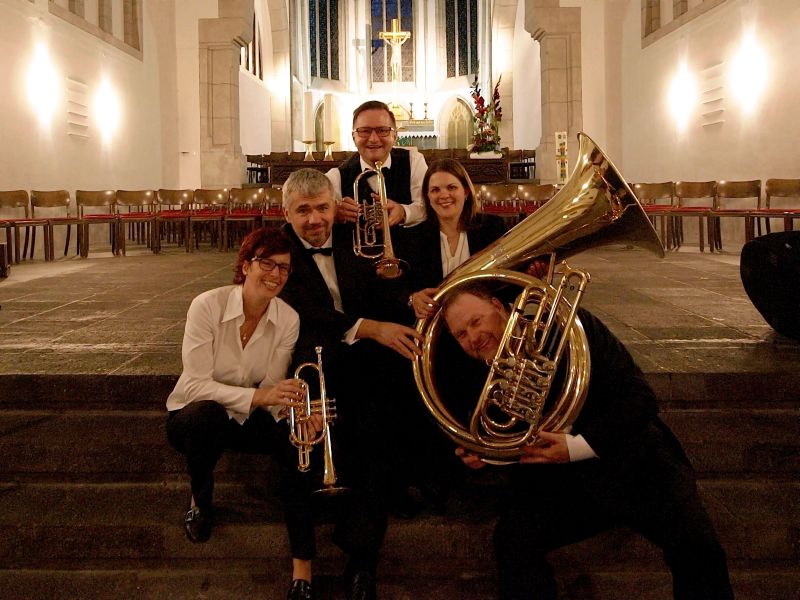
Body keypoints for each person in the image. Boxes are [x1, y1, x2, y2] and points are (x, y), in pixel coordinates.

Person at [440, 282, 734, 600]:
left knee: (698, 546)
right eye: (460, 334)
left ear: (499, 306)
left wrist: (577, 446)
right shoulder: (472, 371)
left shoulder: (571, 329)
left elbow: (640, 400)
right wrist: (485, 455)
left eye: (476, 321)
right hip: (563, 486)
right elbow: (498, 442)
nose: (473, 337)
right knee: (513, 539)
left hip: (637, 465)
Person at [278, 167, 424, 600]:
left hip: (362, 360)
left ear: (333, 206)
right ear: (285, 213)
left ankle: (363, 561)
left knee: (383, 422)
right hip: (313, 358)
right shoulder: (277, 250)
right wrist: (370, 328)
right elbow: (303, 312)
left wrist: (408, 300)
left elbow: (381, 288)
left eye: (322, 207)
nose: (314, 219)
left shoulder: (354, 239)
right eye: (302, 211)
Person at [166, 228, 327, 600]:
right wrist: (262, 396)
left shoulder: (287, 319)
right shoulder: (206, 305)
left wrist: (295, 413)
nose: (275, 274)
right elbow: (194, 386)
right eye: (266, 263)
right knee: (207, 415)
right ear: (245, 265)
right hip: (192, 417)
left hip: (248, 416)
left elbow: (272, 385)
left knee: (297, 440)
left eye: (284, 268)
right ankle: (200, 501)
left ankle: (302, 565)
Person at [396, 158, 507, 321]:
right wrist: (413, 298)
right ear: (428, 196)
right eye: (435, 190)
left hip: (485, 322)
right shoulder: (413, 237)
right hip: (437, 326)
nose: (443, 195)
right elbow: (402, 289)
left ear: (466, 192)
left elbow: (505, 283)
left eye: (451, 187)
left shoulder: (492, 227)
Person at [326, 100, 428, 227]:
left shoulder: (413, 161)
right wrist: (335, 214)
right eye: (364, 131)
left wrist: (403, 212)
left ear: (395, 135)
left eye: (382, 130)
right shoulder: (336, 177)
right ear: (354, 137)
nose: (373, 139)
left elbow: (426, 207)